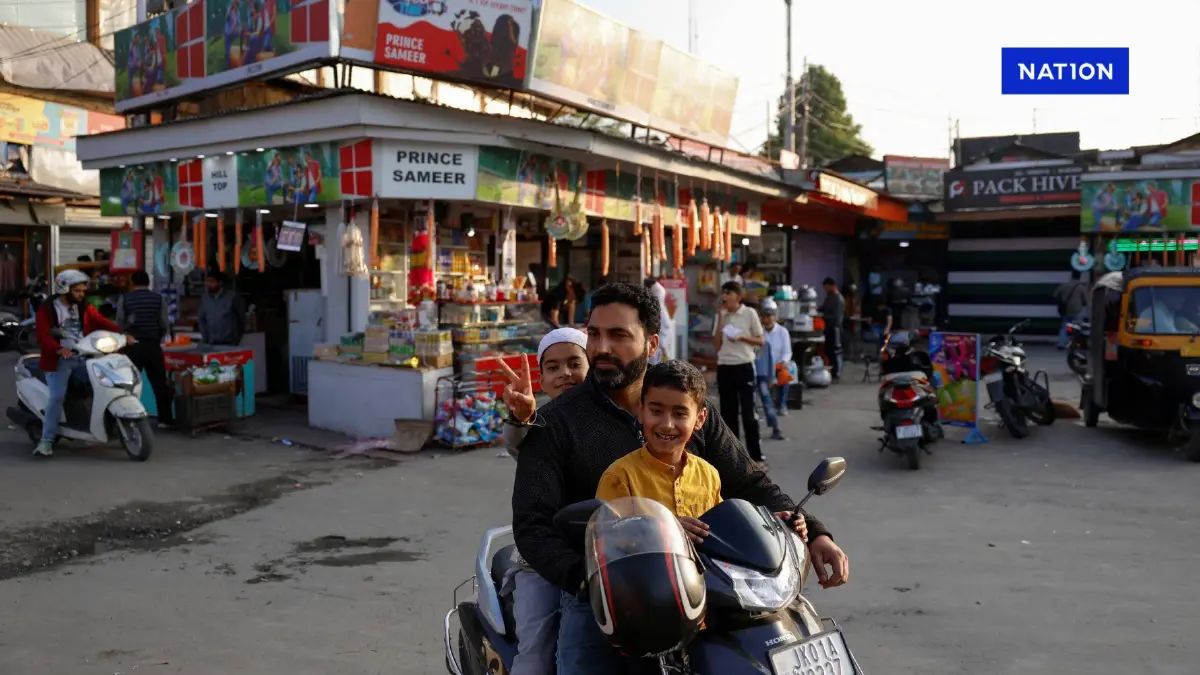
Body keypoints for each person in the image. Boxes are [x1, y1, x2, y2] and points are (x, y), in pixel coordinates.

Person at [512, 282, 848, 675]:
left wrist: (817, 532)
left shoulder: (687, 405)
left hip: (703, 581)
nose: (601, 348)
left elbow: (747, 481)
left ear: (651, 343)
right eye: (595, 333)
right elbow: (533, 524)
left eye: (619, 335)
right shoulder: (556, 423)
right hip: (602, 590)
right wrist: (590, 583)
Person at [497, 327, 588, 675]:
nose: (564, 373)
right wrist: (523, 419)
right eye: (552, 367)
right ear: (543, 378)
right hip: (542, 561)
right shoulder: (542, 421)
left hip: (609, 554)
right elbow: (519, 441)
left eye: (574, 363)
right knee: (536, 658)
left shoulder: (614, 416)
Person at [596, 360, 732, 541]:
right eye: (657, 411)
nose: (667, 425)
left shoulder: (708, 474)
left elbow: (721, 532)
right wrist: (662, 529)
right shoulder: (620, 477)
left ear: (700, 419)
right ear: (641, 411)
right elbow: (607, 542)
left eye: (679, 414)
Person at [33, 269, 133, 457]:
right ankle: (46, 441)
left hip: (84, 356)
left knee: (108, 383)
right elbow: (43, 335)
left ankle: (109, 426)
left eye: (82, 290)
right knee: (57, 397)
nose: (82, 294)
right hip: (59, 361)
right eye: (77, 291)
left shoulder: (83, 306)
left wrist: (122, 334)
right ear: (64, 289)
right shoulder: (47, 309)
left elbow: (101, 321)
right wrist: (58, 349)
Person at [713, 281, 765, 463]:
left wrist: (742, 337)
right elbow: (717, 345)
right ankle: (734, 459)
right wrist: (720, 318)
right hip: (725, 366)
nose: (724, 297)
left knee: (749, 414)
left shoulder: (749, 313)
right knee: (728, 414)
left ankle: (756, 457)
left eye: (728, 293)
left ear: (738, 296)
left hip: (744, 366)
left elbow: (761, 340)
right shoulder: (722, 315)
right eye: (723, 293)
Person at [117, 270, 174, 429]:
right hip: (153, 346)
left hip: (132, 346)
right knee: (159, 384)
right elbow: (164, 323)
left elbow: (119, 323)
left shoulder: (125, 298)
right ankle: (165, 420)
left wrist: (124, 338)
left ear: (132, 282)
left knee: (129, 384)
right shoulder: (158, 298)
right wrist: (158, 336)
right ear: (148, 283)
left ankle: (128, 419)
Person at [755, 302, 791, 441]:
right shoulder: (758, 332)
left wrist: (784, 362)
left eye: (769, 316)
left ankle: (782, 405)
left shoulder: (782, 332)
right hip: (761, 370)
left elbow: (787, 351)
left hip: (776, 366)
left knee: (784, 377)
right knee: (764, 399)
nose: (767, 320)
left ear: (775, 317)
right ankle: (773, 426)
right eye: (764, 317)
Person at [198, 271, 245, 346]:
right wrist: (205, 337)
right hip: (211, 342)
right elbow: (201, 319)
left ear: (220, 283)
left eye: (212, 281)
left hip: (229, 343)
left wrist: (236, 340)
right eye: (207, 281)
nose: (209, 284)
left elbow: (241, 319)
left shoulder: (232, 297)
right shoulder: (205, 299)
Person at [1053, 271, 1088, 349]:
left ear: (1071, 276)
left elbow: (1055, 295)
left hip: (1066, 310)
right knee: (1077, 327)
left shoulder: (1064, 285)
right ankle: (1076, 344)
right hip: (1077, 311)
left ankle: (1061, 344)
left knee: (1064, 327)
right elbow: (1085, 300)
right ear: (1079, 277)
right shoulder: (1081, 287)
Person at [644, 277, 674, 364]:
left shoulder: (658, 310)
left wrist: (664, 348)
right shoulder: (660, 309)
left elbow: (663, 329)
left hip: (658, 348)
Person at [821, 277, 845, 380]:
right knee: (828, 350)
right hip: (827, 327)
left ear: (831, 286)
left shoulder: (838, 299)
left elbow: (837, 319)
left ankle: (837, 373)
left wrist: (823, 316)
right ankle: (831, 370)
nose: (825, 290)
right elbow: (824, 307)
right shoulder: (829, 296)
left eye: (826, 287)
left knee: (835, 351)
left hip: (835, 328)